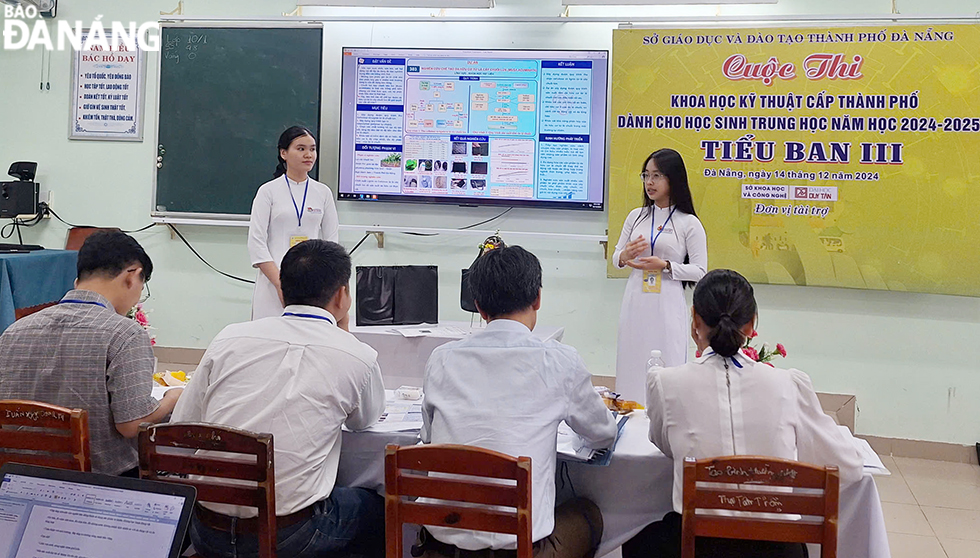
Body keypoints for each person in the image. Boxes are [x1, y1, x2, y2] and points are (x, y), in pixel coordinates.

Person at [622, 269, 864, 558]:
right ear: (751, 325)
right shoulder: (788, 384)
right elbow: (848, 467)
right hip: (777, 551)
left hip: (699, 547)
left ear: (694, 321)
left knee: (637, 541)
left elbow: (664, 443)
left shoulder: (664, 383)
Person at [172, 239, 386, 558]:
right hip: (291, 536)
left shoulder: (229, 337)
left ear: (281, 291)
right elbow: (364, 421)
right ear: (343, 295)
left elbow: (181, 425)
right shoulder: (357, 355)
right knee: (377, 507)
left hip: (206, 530)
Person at [419, 246, 618, 558]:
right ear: (537, 298)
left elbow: (429, 442)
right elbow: (603, 434)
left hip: (441, 549)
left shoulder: (441, 359)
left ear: (478, 307)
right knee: (587, 513)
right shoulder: (559, 361)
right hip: (520, 550)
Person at [0, 231, 181, 476]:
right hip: (100, 482)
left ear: (79, 280)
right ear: (133, 275)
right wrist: (172, 398)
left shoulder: (14, 332)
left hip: (20, 476)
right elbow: (132, 425)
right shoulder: (124, 334)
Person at [612, 148, 708, 402]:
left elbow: (700, 271)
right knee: (632, 356)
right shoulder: (636, 216)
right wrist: (623, 256)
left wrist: (665, 265)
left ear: (673, 179)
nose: (649, 183)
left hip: (667, 301)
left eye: (657, 176)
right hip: (636, 299)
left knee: (667, 360)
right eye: (646, 175)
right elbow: (617, 257)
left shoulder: (689, 223)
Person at [248, 125, 339, 320]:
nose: (309, 154)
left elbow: (332, 242)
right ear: (283, 153)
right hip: (274, 281)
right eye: (301, 148)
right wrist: (281, 284)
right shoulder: (268, 191)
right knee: (270, 339)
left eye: (312, 149)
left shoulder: (323, 192)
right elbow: (256, 242)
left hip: (312, 283)